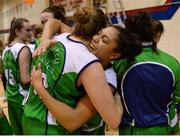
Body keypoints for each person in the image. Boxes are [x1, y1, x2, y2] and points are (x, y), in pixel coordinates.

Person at [22, 7, 123, 135]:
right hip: (53, 127)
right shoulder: (89, 62)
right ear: (97, 31)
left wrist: (45, 38)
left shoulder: (57, 38)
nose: (98, 39)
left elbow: (53, 22)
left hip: (29, 117)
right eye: (100, 35)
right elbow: (113, 121)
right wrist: (118, 99)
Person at [31, 24, 142, 134]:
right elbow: (55, 22)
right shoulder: (83, 53)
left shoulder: (107, 78)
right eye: (98, 33)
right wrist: (45, 39)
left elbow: (73, 121)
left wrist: (41, 90)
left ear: (114, 55)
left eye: (104, 40)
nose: (94, 39)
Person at [113, 11, 180, 135]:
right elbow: (176, 101)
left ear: (128, 34)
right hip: (161, 130)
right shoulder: (173, 63)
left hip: (130, 130)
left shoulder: (119, 62)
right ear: (153, 33)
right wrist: (173, 129)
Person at [2, 18, 32, 134]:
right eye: (27, 30)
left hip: (11, 95)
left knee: (18, 132)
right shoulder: (23, 49)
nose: (31, 33)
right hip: (22, 97)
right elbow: (25, 79)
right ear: (17, 31)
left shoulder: (6, 49)